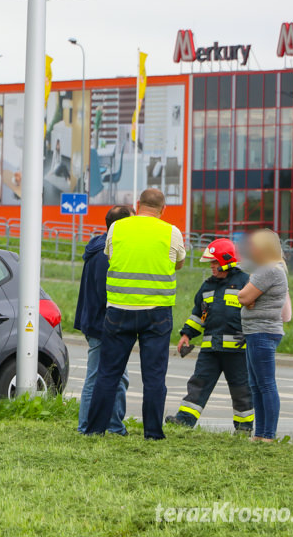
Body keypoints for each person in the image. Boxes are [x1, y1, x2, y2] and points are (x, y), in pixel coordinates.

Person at [83, 188, 186, 440]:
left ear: (138, 204)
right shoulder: (171, 232)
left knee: (108, 373)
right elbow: (179, 262)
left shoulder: (117, 229)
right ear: (163, 209)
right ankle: (152, 433)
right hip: (157, 313)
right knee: (154, 377)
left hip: (119, 310)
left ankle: (95, 429)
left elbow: (110, 255)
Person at [165, 238, 254, 433]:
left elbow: (255, 312)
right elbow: (199, 314)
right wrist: (186, 334)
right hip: (210, 350)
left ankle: (244, 428)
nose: (212, 267)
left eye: (214, 262)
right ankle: (184, 420)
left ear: (226, 260)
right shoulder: (207, 287)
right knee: (198, 383)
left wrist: (251, 334)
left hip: (237, 351)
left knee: (241, 389)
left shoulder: (245, 282)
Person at [75, 205, 134, 435]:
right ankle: (90, 427)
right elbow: (104, 292)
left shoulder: (100, 246)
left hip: (98, 322)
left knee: (117, 378)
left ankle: (113, 426)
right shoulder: (104, 254)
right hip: (103, 324)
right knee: (100, 377)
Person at [238, 229, 289, 442]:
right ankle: (259, 433)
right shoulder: (268, 269)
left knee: (265, 384)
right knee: (256, 384)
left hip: (262, 331)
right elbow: (247, 296)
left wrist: (248, 298)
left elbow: (243, 296)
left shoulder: (269, 270)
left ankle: (268, 434)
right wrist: (249, 298)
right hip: (255, 331)